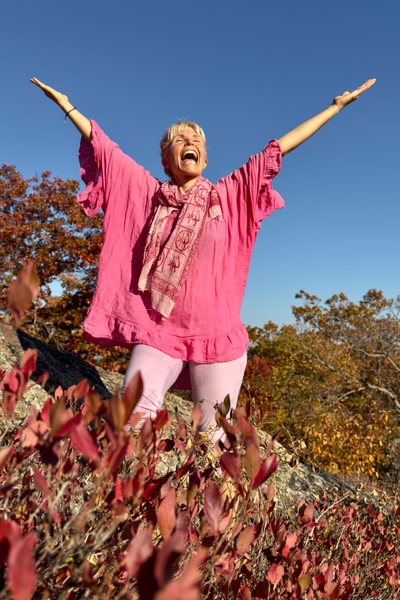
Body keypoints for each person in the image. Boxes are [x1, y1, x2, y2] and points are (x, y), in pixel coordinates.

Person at [30, 76, 376, 442]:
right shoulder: (148, 194)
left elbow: (280, 148)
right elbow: (106, 151)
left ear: (206, 157)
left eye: (196, 140)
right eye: (180, 139)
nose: (190, 142)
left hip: (216, 335)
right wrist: (67, 105)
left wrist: (334, 108)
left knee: (211, 441)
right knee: (127, 421)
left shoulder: (230, 195)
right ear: (167, 159)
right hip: (158, 331)